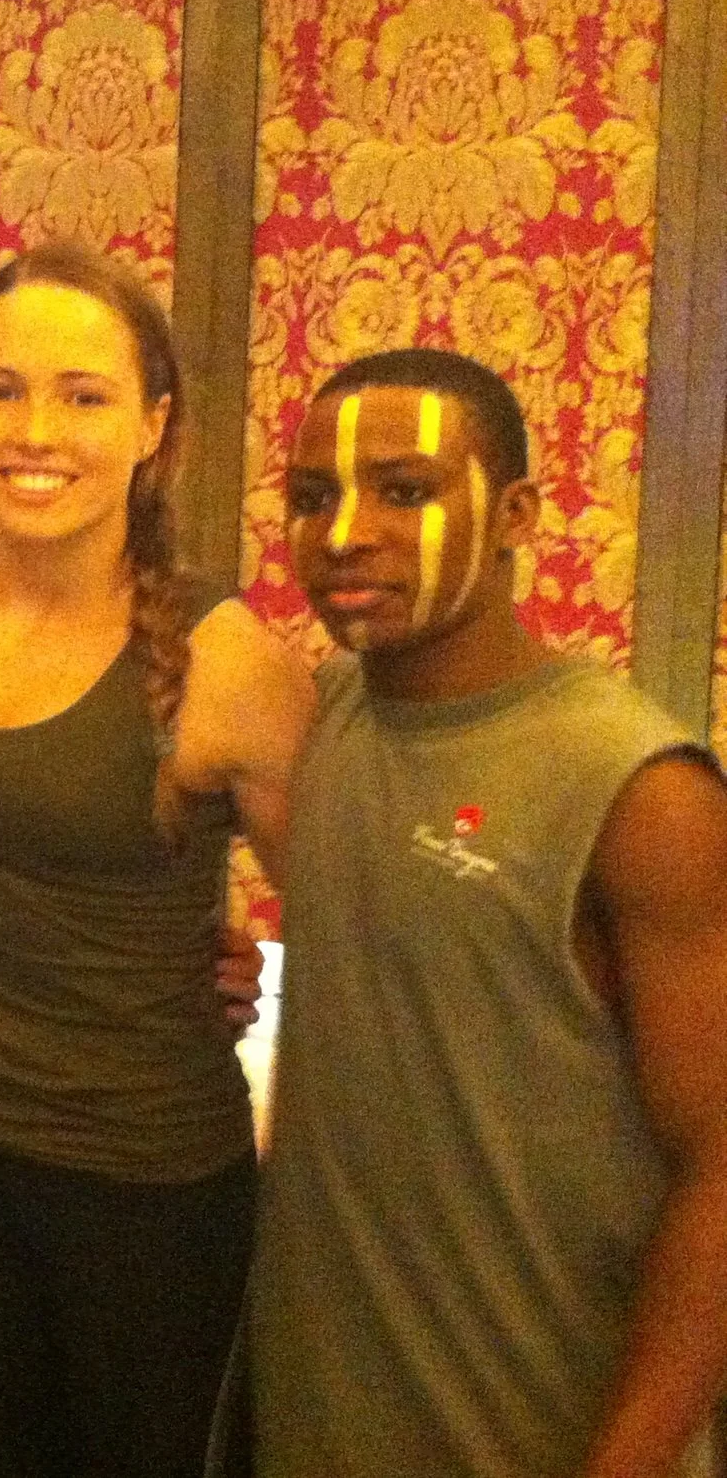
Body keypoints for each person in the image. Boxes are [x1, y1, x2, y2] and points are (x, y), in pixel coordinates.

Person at [0, 241, 312, 1478]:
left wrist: (282, 1072)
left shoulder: (224, 661)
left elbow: (359, 933)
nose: (34, 427)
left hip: (148, 1194)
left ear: (152, 425)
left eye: (84, 392)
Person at [253, 348, 727, 1478]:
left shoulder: (636, 788)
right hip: (312, 1425)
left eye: (405, 490)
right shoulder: (319, 724)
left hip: (533, 1432)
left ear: (515, 512)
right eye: (313, 497)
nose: (344, 533)